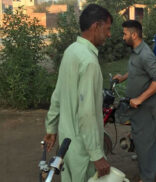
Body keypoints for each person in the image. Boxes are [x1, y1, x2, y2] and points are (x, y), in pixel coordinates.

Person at [43, 4, 112, 182]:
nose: (109, 34)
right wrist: (97, 154)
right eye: (107, 29)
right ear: (96, 26)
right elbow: (87, 113)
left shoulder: (71, 51)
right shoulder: (89, 62)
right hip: (83, 149)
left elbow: (57, 94)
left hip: (66, 147)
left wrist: (51, 127)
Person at [113, 20, 156, 182]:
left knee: (146, 148)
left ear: (134, 34)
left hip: (148, 109)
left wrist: (139, 99)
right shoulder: (137, 51)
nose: (123, 37)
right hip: (139, 110)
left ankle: (147, 178)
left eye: (125, 34)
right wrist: (123, 77)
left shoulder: (145, 54)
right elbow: (138, 70)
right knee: (140, 143)